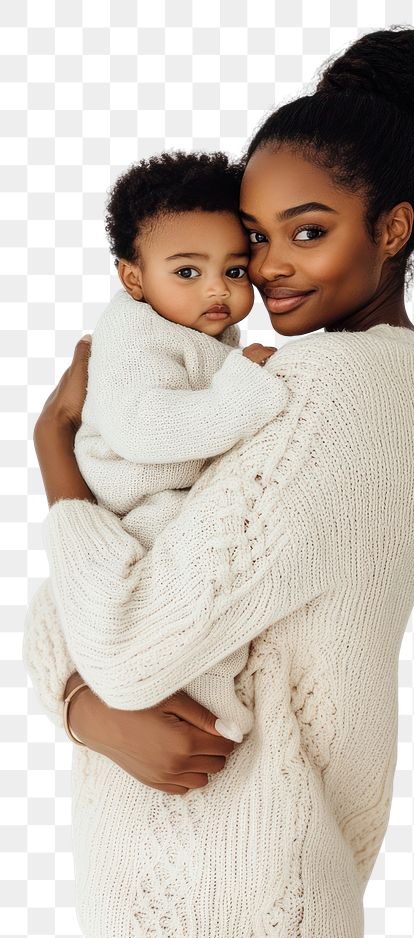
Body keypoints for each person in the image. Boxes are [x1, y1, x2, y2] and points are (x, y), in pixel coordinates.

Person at [22, 26, 414, 938]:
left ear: (391, 229)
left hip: (231, 909)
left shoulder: (319, 393)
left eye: (307, 232)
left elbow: (128, 639)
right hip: (207, 893)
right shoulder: (344, 381)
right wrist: (79, 703)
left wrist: (55, 458)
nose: (265, 272)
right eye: (256, 237)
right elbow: (103, 594)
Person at [29, 149, 293, 750]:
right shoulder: (131, 335)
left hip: (160, 509)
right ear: (133, 278)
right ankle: (205, 707)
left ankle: (203, 697)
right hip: (136, 511)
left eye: (233, 270)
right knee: (181, 605)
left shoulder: (196, 331)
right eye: (187, 271)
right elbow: (150, 435)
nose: (217, 291)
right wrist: (246, 395)